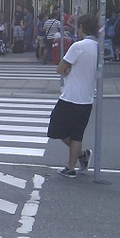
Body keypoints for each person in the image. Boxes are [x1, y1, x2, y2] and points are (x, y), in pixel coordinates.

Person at [47, 14, 99, 178]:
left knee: (57, 128)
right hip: (87, 98)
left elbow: (60, 68)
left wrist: (69, 70)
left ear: (82, 27)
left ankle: (80, 157)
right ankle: (73, 165)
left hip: (71, 97)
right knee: (77, 134)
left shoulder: (78, 46)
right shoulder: (97, 46)